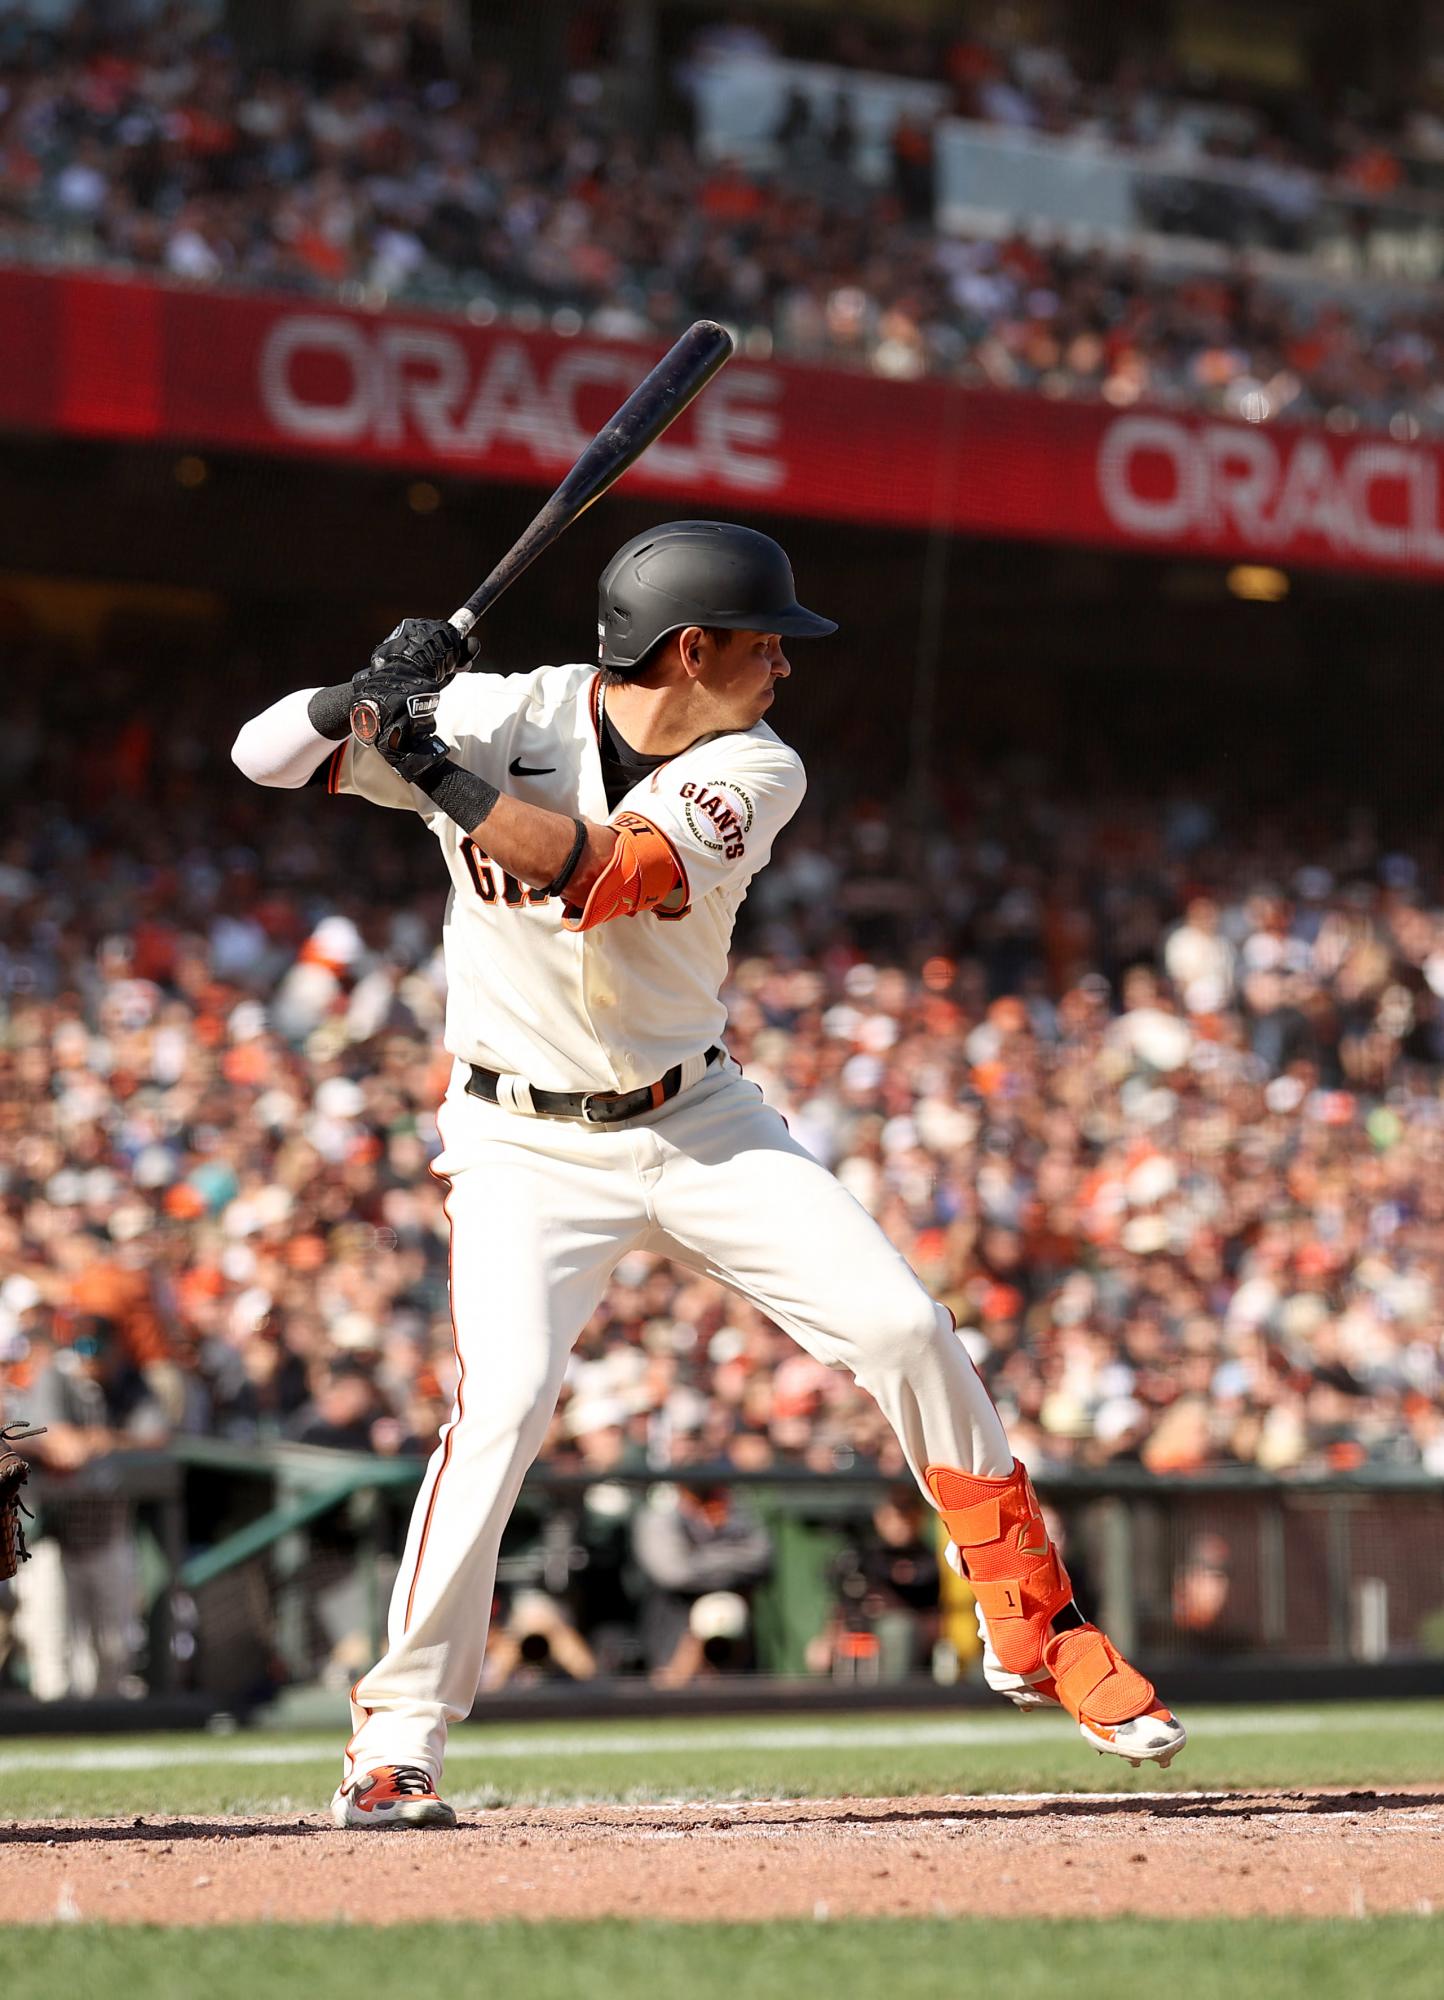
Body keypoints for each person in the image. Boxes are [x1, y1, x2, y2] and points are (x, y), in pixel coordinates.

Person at [232, 519, 1185, 1830]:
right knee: (502, 1409)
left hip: (697, 1115)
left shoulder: (754, 762)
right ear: (691, 648)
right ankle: (398, 1735)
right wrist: (362, 697)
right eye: (764, 644)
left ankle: (1030, 1625)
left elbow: (605, 879)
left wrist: (431, 771)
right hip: (521, 1140)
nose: (785, 667)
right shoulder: (503, 709)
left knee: (906, 1326)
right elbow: (261, 754)